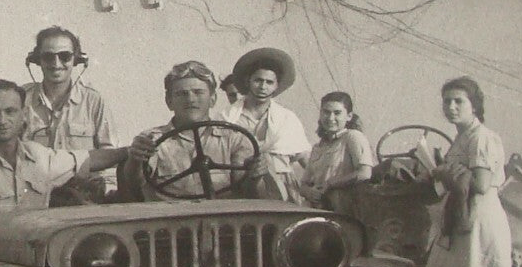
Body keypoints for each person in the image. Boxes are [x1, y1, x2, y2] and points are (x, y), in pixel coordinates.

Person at [0, 80, 130, 262]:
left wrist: (130, 151)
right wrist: (7, 247)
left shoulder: (38, 156)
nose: (2, 120)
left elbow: (88, 159)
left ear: (23, 114)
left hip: (30, 253)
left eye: (10, 111)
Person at [417, 76, 516, 267]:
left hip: (478, 217)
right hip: (457, 215)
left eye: (459, 101)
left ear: (475, 105)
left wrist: (444, 174)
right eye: (447, 101)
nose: (451, 106)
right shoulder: (461, 137)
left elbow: (482, 184)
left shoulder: (482, 137)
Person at [127, 60, 264, 201]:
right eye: (182, 94)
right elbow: (134, 188)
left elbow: (247, 192)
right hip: (170, 219)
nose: (191, 99)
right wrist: (135, 161)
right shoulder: (152, 140)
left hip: (221, 218)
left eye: (198, 92)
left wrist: (255, 176)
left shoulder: (233, 139)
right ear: (169, 101)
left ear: (212, 99)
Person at [21, 26, 116, 201]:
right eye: (48, 56)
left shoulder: (93, 101)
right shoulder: (21, 100)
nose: (56, 64)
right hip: (35, 197)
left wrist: (107, 195)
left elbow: (109, 154)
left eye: (64, 56)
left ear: (76, 60)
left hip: (84, 198)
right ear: (37, 60)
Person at [222, 47, 311, 201]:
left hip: (282, 187)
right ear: (248, 81)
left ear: (276, 86)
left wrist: (314, 187)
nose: (263, 87)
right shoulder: (227, 118)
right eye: (258, 80)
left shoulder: (286, 118)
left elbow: (306, 159)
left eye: (269, 82)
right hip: (241, 186)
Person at [300, 91, 375, 214]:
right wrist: (309, 192)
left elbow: (365, 173)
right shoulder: (318, 147)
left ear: (349, 116)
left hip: (344, 210)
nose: (330, 118)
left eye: (337, 113)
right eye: (326, 112)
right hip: (316, 209)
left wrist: (331, 184)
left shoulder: (353, 137)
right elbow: (303, 184)